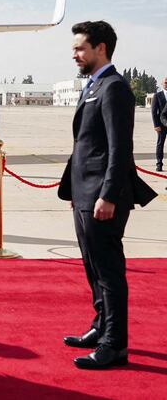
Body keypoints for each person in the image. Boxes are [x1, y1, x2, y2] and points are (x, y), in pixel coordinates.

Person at [57, 21, 156, 370]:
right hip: (84, 193)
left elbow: (119, 149)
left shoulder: (114, 88)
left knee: (109, 271)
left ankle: (115, 344)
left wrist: (108, 195)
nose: (74, 54)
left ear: (101, 48)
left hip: (103, 195)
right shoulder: (93, 86)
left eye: (80, 48)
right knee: (92, 267)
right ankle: (101, 326)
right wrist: (75, 189)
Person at [151, 76, 167, 171]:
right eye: (165, 82)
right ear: (162, 84)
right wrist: (156, 125)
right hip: (161, 125)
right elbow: (154, 111)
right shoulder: (157, 95)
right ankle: (159, 164)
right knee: (160, 144)